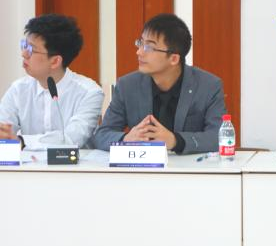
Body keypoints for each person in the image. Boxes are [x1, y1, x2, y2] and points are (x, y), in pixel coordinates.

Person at [94, 13, 225, 154]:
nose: (139, 52)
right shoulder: (127, 85)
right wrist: (126, 139)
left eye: (149, 47)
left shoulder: (208, 86)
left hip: (189, 166)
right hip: (143, 166)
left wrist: (175, 141)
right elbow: (102, 135)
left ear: (174, 59)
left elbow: (219, 137)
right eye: (140, 43)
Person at [0, 14, 103, 149]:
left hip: (75, 163)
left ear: (55, 61)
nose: (23, 54)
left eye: (31, 49)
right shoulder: (18, 89)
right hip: (26, 163)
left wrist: (22, 141)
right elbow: (4, 131)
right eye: (24, 45)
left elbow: (71, 140)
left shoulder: (89, 93)